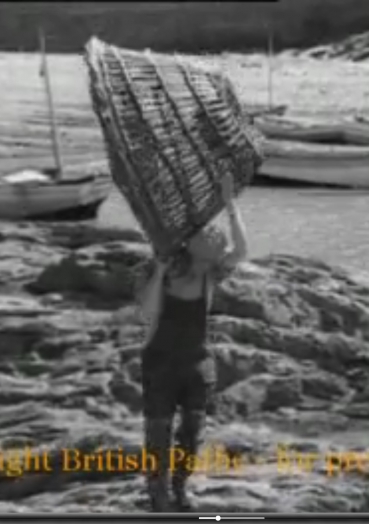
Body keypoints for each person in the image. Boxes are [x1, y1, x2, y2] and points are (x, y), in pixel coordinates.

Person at [137, 173, 248, 512]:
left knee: (191, 429)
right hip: (160, 360)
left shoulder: (209, 277)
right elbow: (148, 314)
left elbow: (241, 250)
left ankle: (180, 487)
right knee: (158, 430)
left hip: (197, 361)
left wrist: (230, 204)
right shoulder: (160, 272)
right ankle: (158, 494)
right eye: (211, 240)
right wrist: (157, 273)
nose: (217, 241)